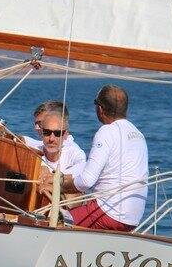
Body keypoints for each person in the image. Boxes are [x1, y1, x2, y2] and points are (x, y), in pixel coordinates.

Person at [41, 85, 148, 232]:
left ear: (100, 109)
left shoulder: (106, 131)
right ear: (125, 109)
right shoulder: (138, 134)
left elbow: (86, 181)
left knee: (48, 220)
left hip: (108, 213)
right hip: (134, 218)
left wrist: (57, 182)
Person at [23, 100, 85, 173]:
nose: (36, 128)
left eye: (41, 123)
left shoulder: (74, 154)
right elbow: (33, 143)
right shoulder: (44, 145)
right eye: (36, 123)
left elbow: (82, 168)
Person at [35, 110, 85, 175]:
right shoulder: (33, 151)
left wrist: (53, 176)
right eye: (47, 132)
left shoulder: (75, 153)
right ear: (41, 133)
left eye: (57, 133)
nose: (51, 139)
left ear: (66, 135)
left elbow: (82, 167)